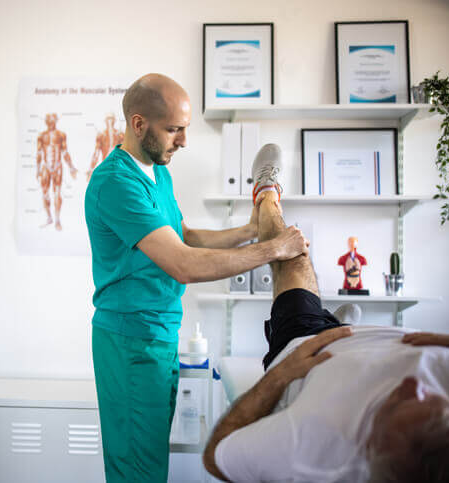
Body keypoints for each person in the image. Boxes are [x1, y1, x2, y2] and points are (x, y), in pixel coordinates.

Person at [84, 73, 309, 482]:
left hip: (159, 334)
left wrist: (250, 231)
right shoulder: (116, 182)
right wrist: (274, 250)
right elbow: (183, 262)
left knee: (149, 459)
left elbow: (184, 235)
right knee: (139, 470)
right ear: (138, 124)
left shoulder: (157, 170)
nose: (184, 140)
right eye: (174, 129)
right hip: (131, 342)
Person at [202, 146, 449, 482]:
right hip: (362, 340)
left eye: (400, 400)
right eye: (435, 397)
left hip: (309, 345)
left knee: (293, 255)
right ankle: (340, 324)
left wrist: (280, 375)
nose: (415, 382)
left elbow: (215, 456)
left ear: (367, 447)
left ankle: (265, 193)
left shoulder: (312, 446)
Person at [36, 113, 78, 230]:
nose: (50, 123)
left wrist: (71, 167)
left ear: (55, 121)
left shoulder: (61, 135)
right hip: (45, 167)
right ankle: (49, 217)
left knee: (57, 194)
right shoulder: (41, 136)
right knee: (45, 193)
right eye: (49, 121)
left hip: (58, 166)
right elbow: (39, 153)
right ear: (46, 122)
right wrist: (38, 169)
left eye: (52, 121)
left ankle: (57, 220)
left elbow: (64, 152)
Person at [86, 113, 124, 181]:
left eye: (111, 119)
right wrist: (91, 170)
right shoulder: (101, 136)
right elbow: (96, 154)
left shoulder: (120, 135)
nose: (109, 122)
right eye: (108, 119)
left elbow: (126, 154)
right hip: (109, 168)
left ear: (114, 121)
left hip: (118, 169)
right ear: (105, 121)